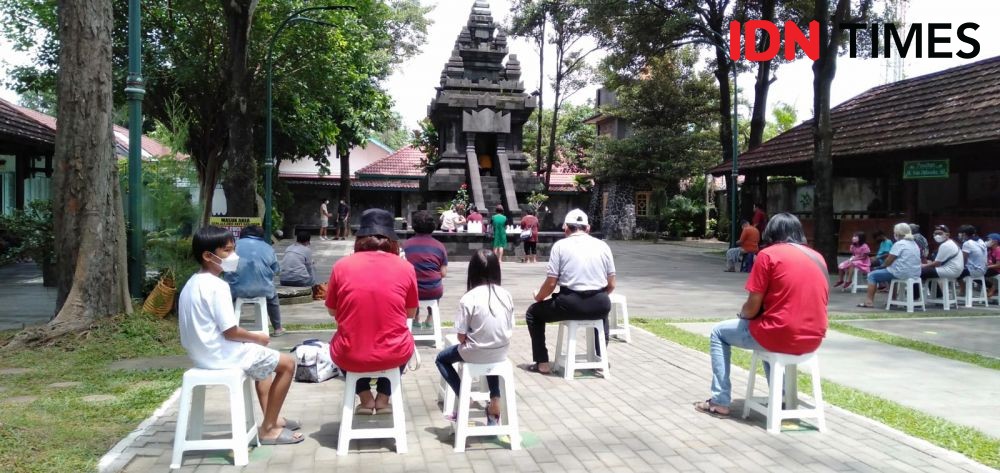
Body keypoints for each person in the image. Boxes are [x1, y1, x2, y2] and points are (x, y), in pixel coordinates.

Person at [695, 213, 828, 418]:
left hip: (778, 334)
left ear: (771, 232)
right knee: (769, 335)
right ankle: (782, 397)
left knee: (718, 333)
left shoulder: (768, 255)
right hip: (813, 338)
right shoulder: (817, 257)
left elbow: (752, 306)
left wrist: (744, 315)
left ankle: (719, 400)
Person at [179, 226, 303, 445]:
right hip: (221, 355)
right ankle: (268, 430)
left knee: (264, 363)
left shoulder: (191, 283)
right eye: (227, 251)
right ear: (208, 256)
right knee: (287, 364)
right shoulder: (217, 286)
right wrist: (258, 337)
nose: (233, 256)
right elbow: (231, 331)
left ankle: (273, 419)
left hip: (202, 355)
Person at [325, 209, 417, 414]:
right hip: (394, 353)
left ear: (359, 238)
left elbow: (332, 311)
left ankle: (365, 397)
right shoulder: (405, 267)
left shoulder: (341, 266)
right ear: (392, 240)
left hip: (351, 354)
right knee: (405, 341)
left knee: (340, 345)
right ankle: (384, 398)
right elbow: (410, 313)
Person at [525, 209, 615, 375]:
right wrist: (595, 296)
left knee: (533, 313)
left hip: (569, 303)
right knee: (602, 313)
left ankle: (542, 362)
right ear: (587, 228)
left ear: (565, 228)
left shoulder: (560, 246)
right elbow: (611, 284)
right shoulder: (603, 246)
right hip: (599, 302)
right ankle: (600, 358)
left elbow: (551, 283)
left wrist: (539, 296)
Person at [435, 249, 514, 425]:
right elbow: (510, 326)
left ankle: (464, 395)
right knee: (489, 360)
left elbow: (461, 336)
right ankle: (495, 399)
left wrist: (470, 338)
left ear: (473, 271)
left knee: (441, 359)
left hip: (475, 351)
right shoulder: (506, 295)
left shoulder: (469, 298)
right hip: (501, 351)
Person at [225, 225, 284, 337]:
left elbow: (225, 268)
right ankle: (277, 328)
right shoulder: (268, 248)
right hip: (263, 290)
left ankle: (228, 326)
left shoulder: (233, 246)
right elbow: (276, 270)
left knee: (227, 297)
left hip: (236, 290)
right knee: (273, 299)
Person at [402, 210, 448, 329]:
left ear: (414, 226)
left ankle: (415, 319)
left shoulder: (406, 246)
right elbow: (443, 273)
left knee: (412, 286)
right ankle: (429, 319)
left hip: (411, 292)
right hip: (433, 291)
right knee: (434, 284)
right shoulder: (439, 246)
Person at [859, 223, 921, 308]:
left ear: (898, 233)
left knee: (872, 275)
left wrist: (879, 267)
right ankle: (893, 300)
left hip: (901, 273)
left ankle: (869, 301)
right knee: (891, 275)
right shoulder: (914, 244)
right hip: (915, 273)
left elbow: (888, 260)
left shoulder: (899, 244)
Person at [957, 225, 988, 297]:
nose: (959, 235)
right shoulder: (981, 241)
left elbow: (963, 260)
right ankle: (989, 285)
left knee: (955, 272)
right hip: (983, 270)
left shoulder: (967, 243)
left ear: (964, 234)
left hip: (973, 270)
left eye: (960, 233)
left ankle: (963, 289)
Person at [985, 233, 1000, 297]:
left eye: (989, 239)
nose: (987, 241)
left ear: (995, 241)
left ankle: (991, 287)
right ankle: (990, 288)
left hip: (997, 270)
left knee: (979, 274)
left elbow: (998, 265)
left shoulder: (998, 250)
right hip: (991, 269)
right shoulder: (990, 250)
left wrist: (987, 267)